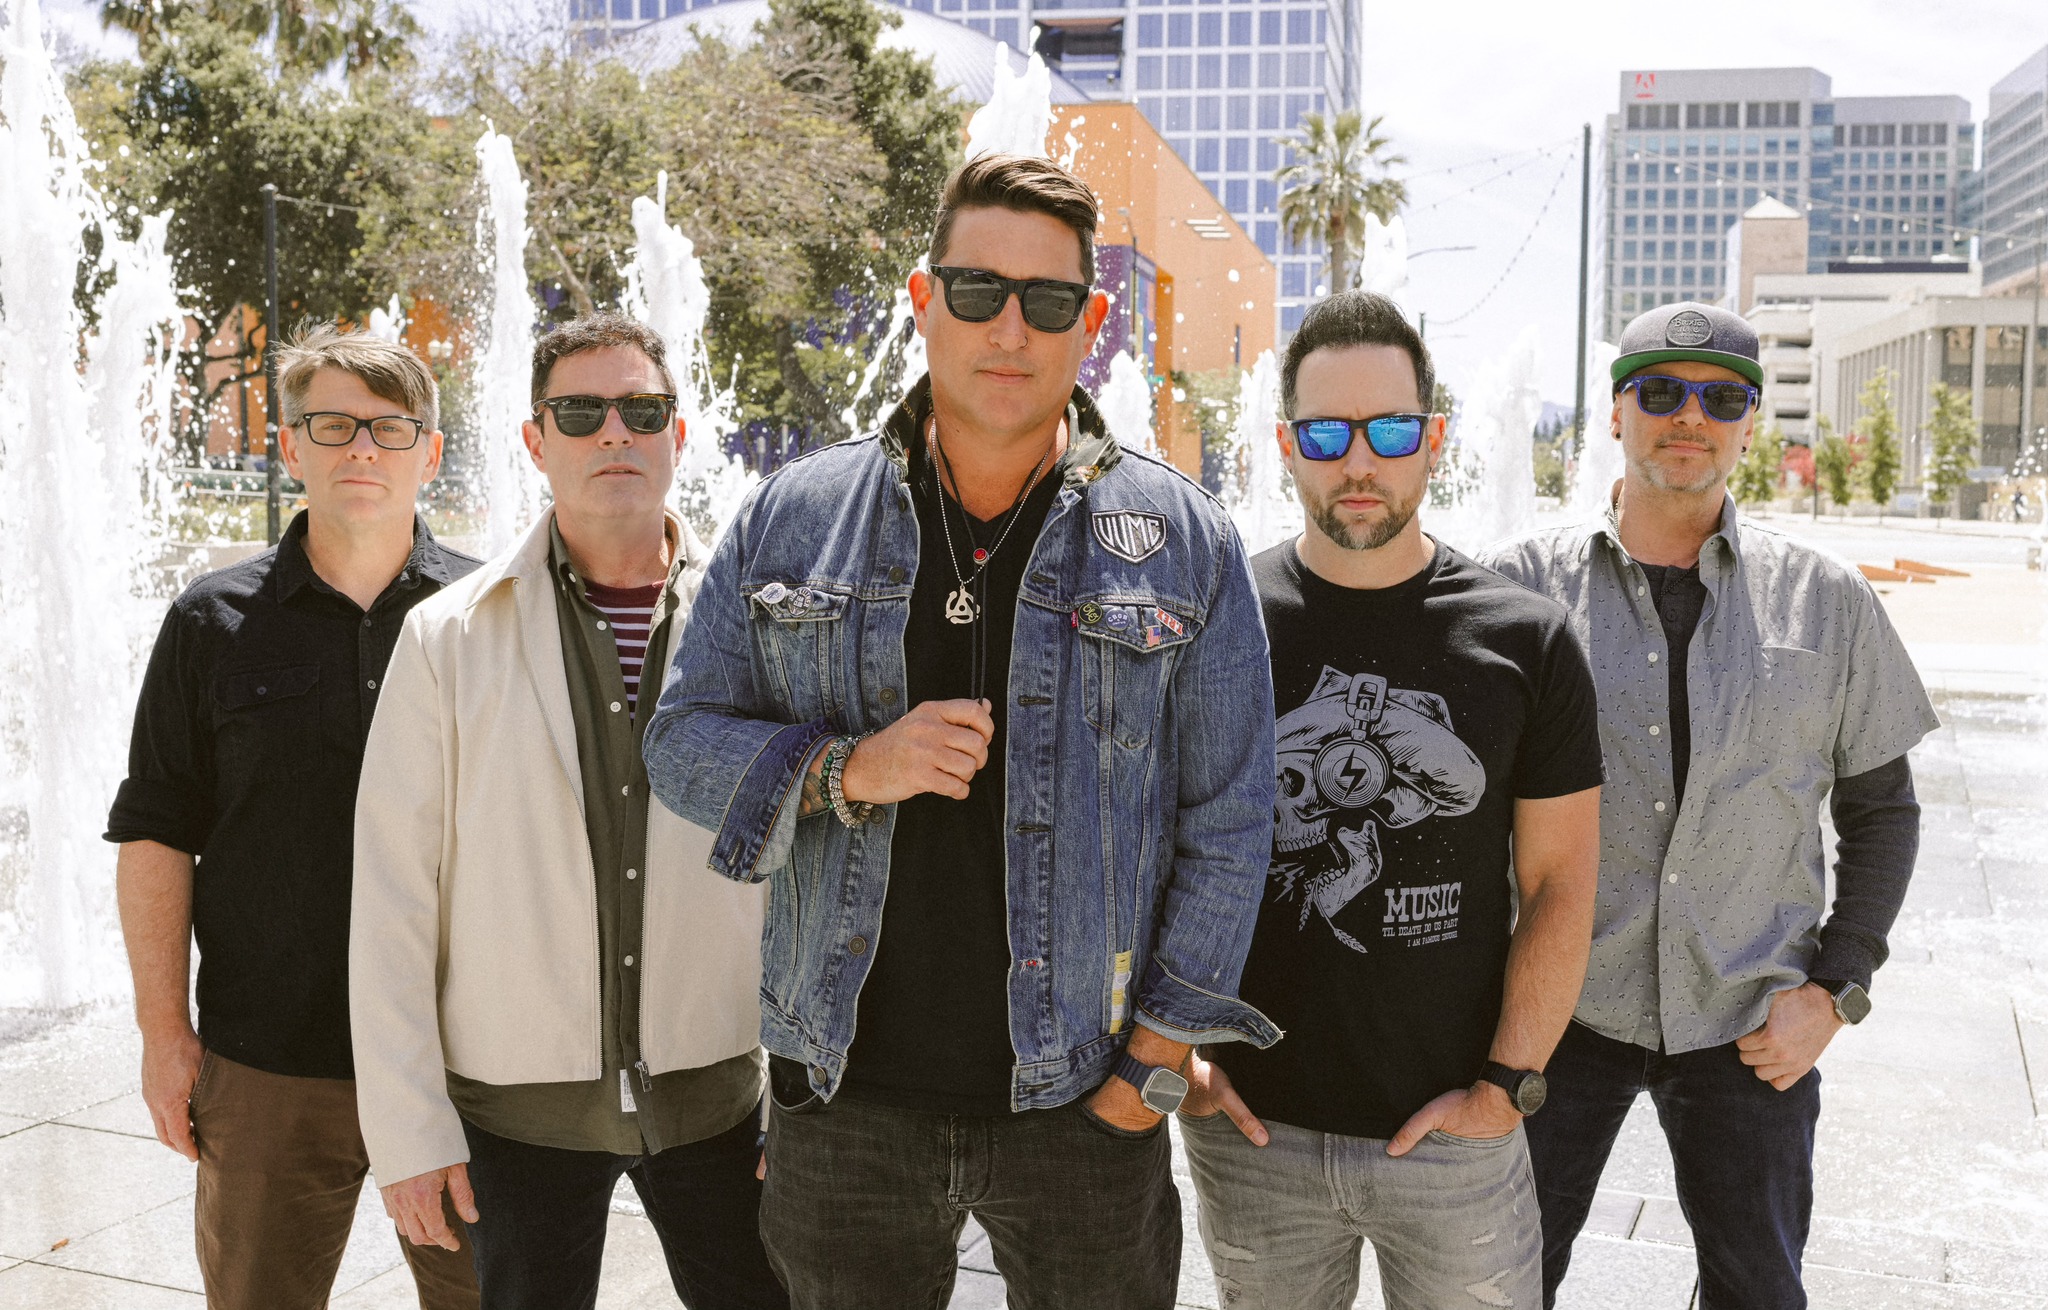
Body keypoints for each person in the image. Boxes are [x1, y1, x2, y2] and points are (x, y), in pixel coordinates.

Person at [642, 152, 1280, 1310]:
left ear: (1090, 324)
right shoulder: (793, 516)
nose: (1009, 328)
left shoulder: (1182, 538)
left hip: (1082, 1097)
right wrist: (847, 767)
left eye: (1048, 300)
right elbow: (679, 743)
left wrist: (1150, 1065)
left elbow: (1230, 819)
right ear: (922, 299)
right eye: (978, 290)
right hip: (844, 1096)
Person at [1480, 300, 1936, 1309]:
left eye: (1721, 398)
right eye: (1660, 391)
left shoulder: (1825, 600)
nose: (1689, 416)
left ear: (1749, 424)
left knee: (1758, 1292)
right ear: (1615, 412)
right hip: (1556, 1012)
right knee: (1497, 1287)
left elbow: (1883, 812)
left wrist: (1835, 989)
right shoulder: (1514, 591)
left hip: (1750, 1016)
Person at [1174, 291, 1605, 1310]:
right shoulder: (1217, 619)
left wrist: (1505, 1088)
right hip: (1253, 1131)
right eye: (1327, 433)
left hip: (1459, 1135)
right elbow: (1147, 845)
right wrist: (1172, 1052)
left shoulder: (1525, 639)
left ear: (1433, 441)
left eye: (1391, 432)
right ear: (1286, 444)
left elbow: (1560, 882)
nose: (1358, 462)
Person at [349, 313, 785, 1310]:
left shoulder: (762, 628)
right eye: (581, 412)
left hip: (723, 1100)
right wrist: (409, 1131)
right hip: (515, 1118)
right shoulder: (446, 638)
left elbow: (816, 869)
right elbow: (392, 896)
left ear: (679, 434)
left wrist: (805, 1092)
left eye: (642, 411)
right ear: (536, 440)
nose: (614, 432)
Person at [104, 325, 480, 1310]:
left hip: (465, 1063)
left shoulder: (489, 616)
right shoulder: (210, 621)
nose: (362, 448)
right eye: (333, 425)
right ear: (290, 446)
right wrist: (162, 1032)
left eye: (390, 428)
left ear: (430, 452)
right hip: (269, 1061)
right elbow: (155, 832)